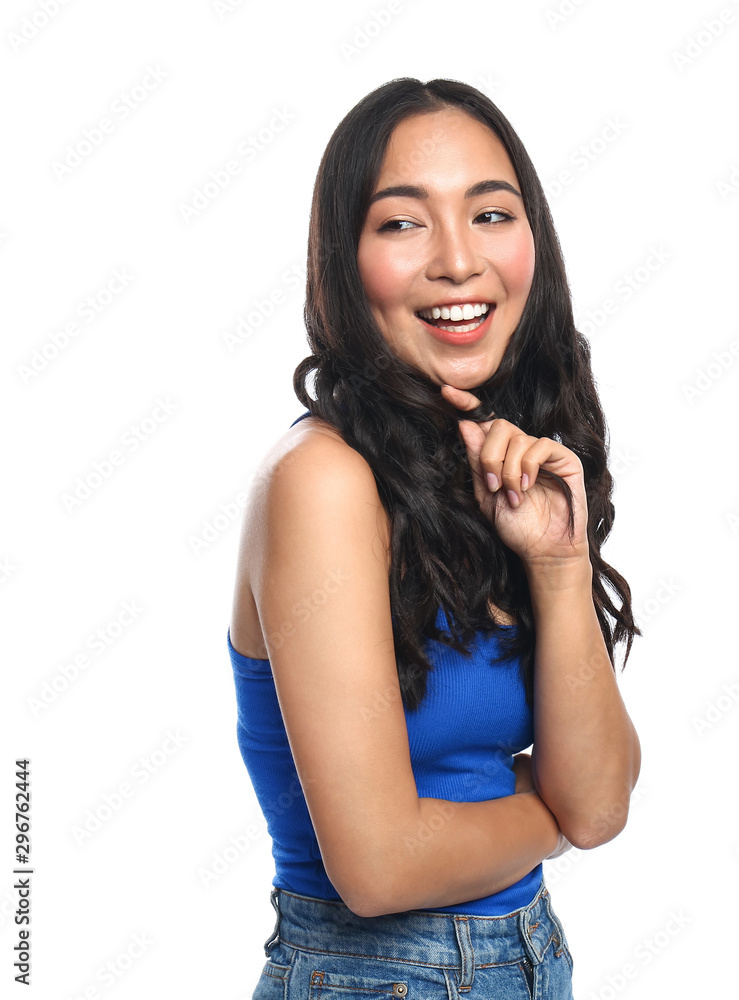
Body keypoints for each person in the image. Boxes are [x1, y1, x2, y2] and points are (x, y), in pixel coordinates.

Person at [228, 77, 641, 999]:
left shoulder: (498, 469)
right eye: (402, 223)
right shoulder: (322, 481)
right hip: (378, 977)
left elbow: (604, 793)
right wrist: (553, 808)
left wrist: (557, 565)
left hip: (528, 959)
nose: (459, 261)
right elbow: (379, 868)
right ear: (343, 260)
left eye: (491, 214)